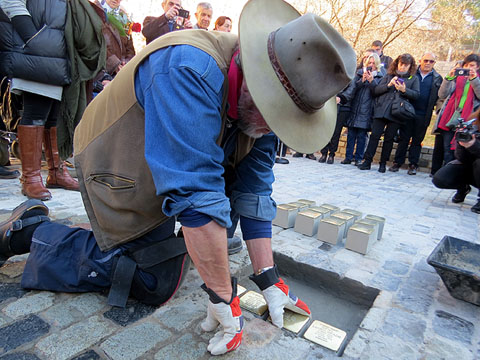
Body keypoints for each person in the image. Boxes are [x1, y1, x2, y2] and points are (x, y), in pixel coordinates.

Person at [0, 0, 356, 356]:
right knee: (155, 280)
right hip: (120, 159)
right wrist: (222, 295)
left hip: (176, 158)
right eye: (274, 111)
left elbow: (255, 189)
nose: (272, 127)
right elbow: (197, 191)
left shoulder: (271, 103)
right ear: (255, 73)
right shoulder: (188, 67)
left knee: (210, 228)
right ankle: (30, 231)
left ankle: (180, 243)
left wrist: (268, 277)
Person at [0, 0, 104, 200]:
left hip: (58, 54)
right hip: (38, 53)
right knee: (36, 111)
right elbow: (11, 1)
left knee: (54, 116)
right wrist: (33, 37)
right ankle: (30, 178)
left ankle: (56, 171)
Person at [359, 53, 420, 172]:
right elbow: (376, 90)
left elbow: (416, 95)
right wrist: (388, 85)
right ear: (397, 63)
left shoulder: (414, 79)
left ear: (410, 66)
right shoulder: (388, 75)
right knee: (374, 136)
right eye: (401, 64)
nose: (403, 67)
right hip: (381, 109)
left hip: (397, 112)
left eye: (406, 65)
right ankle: (367, 161)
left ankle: (383, 164)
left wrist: (404, 90)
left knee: (389, 139)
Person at [391, 52, 442, 175]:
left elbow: (439, 97)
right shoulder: (412, 74)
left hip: (424, 113)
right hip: (407, 110)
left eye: (431, 61)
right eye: (426, 60)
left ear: (434, 63)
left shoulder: (437, 78)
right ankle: (397, 162)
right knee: (404, 138)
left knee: (417, 140)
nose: (428, 63)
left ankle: (413, 164)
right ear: (420, 61)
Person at [431, 54, 480, 174]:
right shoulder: (456, 78)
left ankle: (457, 174)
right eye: (466, 65)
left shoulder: (477, 79)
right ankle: (445, 172)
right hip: (451, 116)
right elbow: (442, 95)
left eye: (472, 65)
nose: (468, 68)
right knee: (447, 147)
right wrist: (448, 78)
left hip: (468, 119)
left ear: (478, 67)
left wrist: (474, 80)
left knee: (461, 148)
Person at [432, 108, 480, 213]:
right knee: (440, 179)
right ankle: (463, 188)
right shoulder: (474, 122)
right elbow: (461, 158)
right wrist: (463, 144)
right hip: (470, 167)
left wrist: (474, 146)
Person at [342, 52, 383, 166]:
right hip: (355, 107)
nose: (371, 65)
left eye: (374, 63)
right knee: (351, 135)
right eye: (369, 63)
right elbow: (353, 89)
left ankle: (358, 158)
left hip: (367, 109)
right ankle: (348, 157)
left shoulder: (379, 77)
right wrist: (362, 81)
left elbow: (377, 92)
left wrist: (371, 82)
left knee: (361, 136)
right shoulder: (359, 74)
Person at [90, 0, 136, 93]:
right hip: (99, 75)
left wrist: (126, 64)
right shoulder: (93, 11)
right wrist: (115, 64)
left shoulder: (123, 17)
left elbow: (130, 48)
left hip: (120, 76)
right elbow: (95, 42)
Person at [318, 78, 356, 164]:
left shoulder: (350, 77)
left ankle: (331, 154)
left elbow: (351, 90)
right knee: (326, 130)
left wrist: (341, 98)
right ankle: (324, 153)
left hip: (343, 107)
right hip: (329, 105)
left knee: (336, 131)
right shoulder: (333, 74)